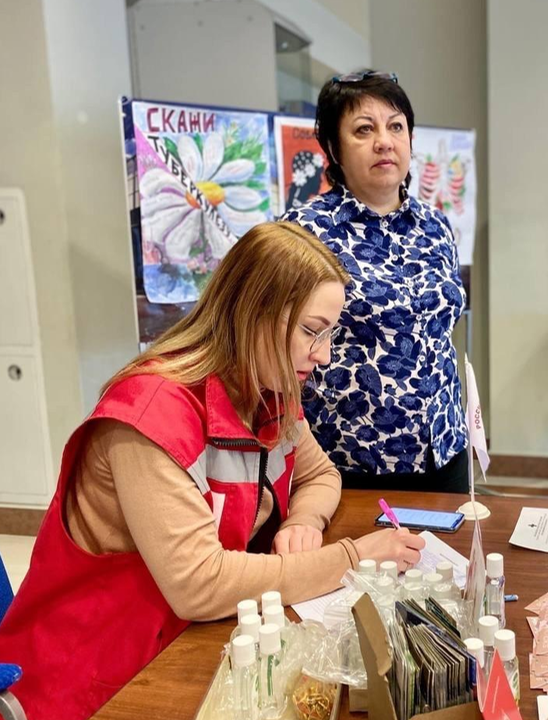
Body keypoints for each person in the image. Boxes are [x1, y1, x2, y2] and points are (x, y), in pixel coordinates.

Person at [0, 222, 426, 720]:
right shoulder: (150, 413)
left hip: (188, 645)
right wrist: (351, 557)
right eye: (312, 331)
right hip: (99, 680)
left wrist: (303, 522)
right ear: (255, 315)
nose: (324, 354)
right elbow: (199, 583)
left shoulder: (269, 389)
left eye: (328, 333)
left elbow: (321, 475)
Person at [283, 70, 469, 493]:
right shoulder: (304, 232)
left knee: (451, 560)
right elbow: (275, 341)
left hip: (443, 448)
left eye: (396, 127)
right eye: (364, 129)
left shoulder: (436, 227)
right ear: (333, 148)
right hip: (349, 461)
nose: (384, 141)